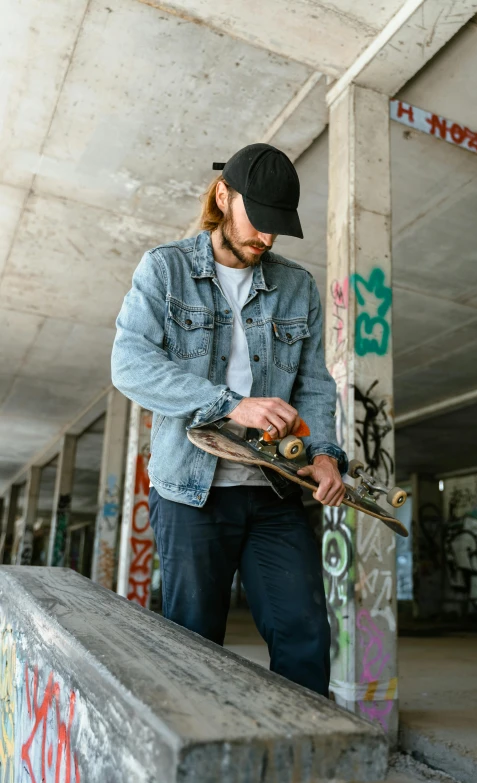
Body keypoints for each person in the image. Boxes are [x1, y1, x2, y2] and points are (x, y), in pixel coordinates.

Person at [111, 143, 348, 697]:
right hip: (191, 494)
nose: (265, 239)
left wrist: (325, 455)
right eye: (257, 221)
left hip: (275, 493)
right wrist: (230, 403)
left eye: (276, 229)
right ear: (224, 196)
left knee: (306, 635)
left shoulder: (296, 287)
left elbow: (315, 383)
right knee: (193, 647)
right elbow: (130, 366)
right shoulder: (165, 270)